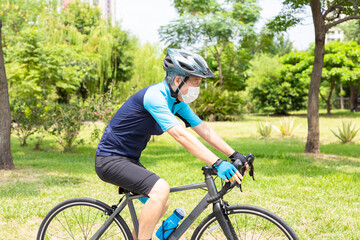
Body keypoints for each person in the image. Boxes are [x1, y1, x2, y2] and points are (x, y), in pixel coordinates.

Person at [95, 48, 249, 240]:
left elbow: (203, 129)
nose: (198, 88)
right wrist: (217, 163)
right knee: (160, 190)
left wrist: (234, 154)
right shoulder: (155, 96)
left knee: (161, 202)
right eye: (196, 83)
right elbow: (180, 135)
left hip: (128, 159)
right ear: (178, 80)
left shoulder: (176, 102)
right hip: (109, 160)